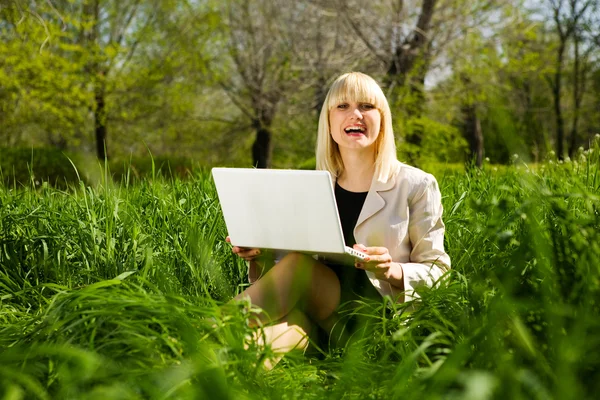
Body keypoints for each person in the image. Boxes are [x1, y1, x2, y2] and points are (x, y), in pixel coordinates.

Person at [225, 71, 451, 365]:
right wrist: (259, 252)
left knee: (298, 267)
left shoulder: (416, 185)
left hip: (375, 315)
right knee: (261, 345)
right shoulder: (312, 185)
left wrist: (391, 269)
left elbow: (440, 273)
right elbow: (280, 264)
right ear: (328, 121)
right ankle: (191, 366)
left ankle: (196, 331)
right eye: (342, 106)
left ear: (382, 119)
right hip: (320, 315)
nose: (355, 114)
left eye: (366, 106)